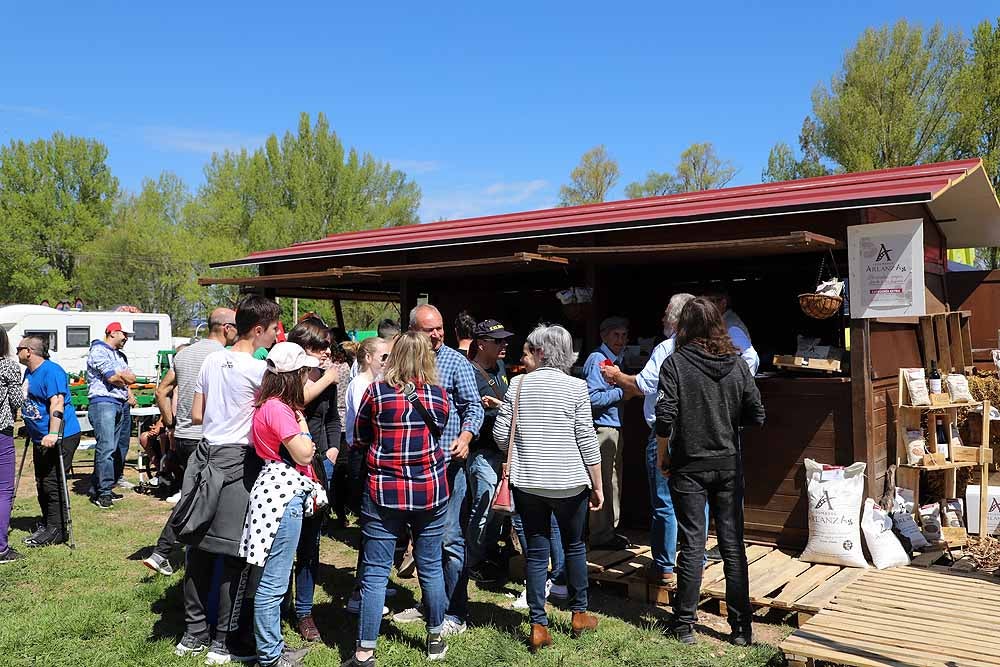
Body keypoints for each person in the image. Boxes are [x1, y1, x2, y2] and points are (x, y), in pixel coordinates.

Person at [171, 295, 280, 664]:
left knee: (197, 545)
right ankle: (223, 642)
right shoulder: (259, 371)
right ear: (260, 329)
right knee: (234, 552)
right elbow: (271, 420)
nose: (275, 337)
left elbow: (197, 413)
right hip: (239, 460)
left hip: (204, 455)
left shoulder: (210, 359)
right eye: (274, 330)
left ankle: (193, 632)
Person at [655, 297, 765, 647]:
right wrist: (727, 423)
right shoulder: (737, 364)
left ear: (684, 327)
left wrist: (663, 455)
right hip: (728, 464)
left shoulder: (675, 364)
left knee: (692, 544)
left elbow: (664, 418)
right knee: (733, 546)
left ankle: (684, 626)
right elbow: (757, 414)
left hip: (688, 465)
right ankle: (742, 628)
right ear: (718, 324)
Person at [493, 324, 603, 652]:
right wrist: (597, 485)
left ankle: (538, 624)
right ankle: (579, 614)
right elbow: (586, 439)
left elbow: (501, 436)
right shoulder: (576, 387)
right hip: (569, 483)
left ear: (540, 351)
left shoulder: (518, 385)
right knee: (574, 546)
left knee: (538, 551)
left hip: (527, 482)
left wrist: (526, 447)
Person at [343, 331, 451, 667]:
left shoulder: (376, 391)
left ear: (396, 355)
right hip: (430, 490)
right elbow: (441, 428)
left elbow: (358, 437)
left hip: (383, 490)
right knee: (431, 567)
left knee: (375, 574)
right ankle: (435, 639)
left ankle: (364, 651)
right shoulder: (438, 395)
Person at [393, 305, 483, 637]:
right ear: (412, 330)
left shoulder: (456, 362)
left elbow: (474, 406)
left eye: (440, 328)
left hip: (449, 466)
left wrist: (466, 435)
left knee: (450, 540)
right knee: (424, 543)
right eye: (429, 329)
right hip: (413, 469)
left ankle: (456, 612)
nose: (437, 334)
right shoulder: (403, 363)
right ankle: (432, 604)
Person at [600, 293, 694, 586]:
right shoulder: (708, 347)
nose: (663, 318)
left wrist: (617, 376)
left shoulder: (668, 347)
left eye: (667, 312)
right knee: (696, 500)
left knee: (664, 500)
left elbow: (643, 384)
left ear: (677, 318)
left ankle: (664, 566)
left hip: (667, 433)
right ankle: (695, 561)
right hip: (698, 434)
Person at [242, 342, 321, 667]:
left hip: (276, 491)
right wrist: (303, 428)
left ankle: (273, 646)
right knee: (273, 583)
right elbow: (304, 453)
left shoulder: (270, 405)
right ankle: (271, 656)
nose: (308, 377)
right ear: (293, 375)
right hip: (282, 496)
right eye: (304, 372)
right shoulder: (278, 409)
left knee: (270, 579)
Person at [143, 308, 238, 576]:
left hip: (184, 435)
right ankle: (164, 551)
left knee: (197, 496)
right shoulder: (224, 358)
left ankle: (187, 553)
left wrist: (171, 422)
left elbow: (161, 391)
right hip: (207, 437)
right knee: (198, 498)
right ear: (226, 328)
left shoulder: (184, 354)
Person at [287, 319, 342, 642]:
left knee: (310, 542)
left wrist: (333, 450)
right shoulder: (285, 379)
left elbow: (332, 418)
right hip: (288, 467)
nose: (325, 353)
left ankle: (304, 611)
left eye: (327, 347)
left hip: (321, 465)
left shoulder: (326, 380)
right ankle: (278, 601)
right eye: (318, 347)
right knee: (283, 543)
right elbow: (298, 402)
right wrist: (329, 378)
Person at [16, 336, 82, 548]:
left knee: (53, 483)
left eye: (19, 349)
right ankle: (48, 522)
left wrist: (53, 433)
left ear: (29, 351)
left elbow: (58, 402)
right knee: (42, 482)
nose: (16, 352)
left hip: (60, 436)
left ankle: (58, 529)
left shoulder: (51, 371)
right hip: (40, 437)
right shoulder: (30, 371)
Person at [464, 319, 513, 585]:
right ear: (481, 344)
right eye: (498, 341)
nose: (504, 344)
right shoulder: (470, 372)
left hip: (502, 451)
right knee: (483, 507)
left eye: (505, 340)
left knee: (498, 508)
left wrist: (499, 405)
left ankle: (488, 554)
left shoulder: (502, 367)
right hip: (482, 451)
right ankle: (473, 561)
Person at [343, 336, 390, 614]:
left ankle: (370, 583)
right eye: (384, 357)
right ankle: (361, 593)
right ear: (369, 358)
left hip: (366, 454)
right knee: (371, 527)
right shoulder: (362, 385)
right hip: (361, 457)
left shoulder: (371, 384)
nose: (388, 362)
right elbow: (369, 425)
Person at [582, 315, 630, 549]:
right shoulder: (598, 360)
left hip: (614, 426)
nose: (620, 340)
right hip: (603, 427)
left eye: (623, 335)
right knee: (604, 482)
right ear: (604, 336)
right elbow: (591, 397)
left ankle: (610, 531)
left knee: (614, 481)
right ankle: (601, 535)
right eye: (615, 335)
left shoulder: (616, 359)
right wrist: (623, 392)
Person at [86, 322, 136, 509]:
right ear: (113, 332)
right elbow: (113, 378)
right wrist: (123, 377)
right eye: (125, 335)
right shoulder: (98, 351)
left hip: (118, 403)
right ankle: (103, 492)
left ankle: (100, 486)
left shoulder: (119, 355)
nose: (127, 339)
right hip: (103, 402)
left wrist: (124, 378)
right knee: (106, 448)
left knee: (114, 448)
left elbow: (131, 378)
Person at [0, 328, 25, 562]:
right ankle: (1, 548)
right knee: (3, 490)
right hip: (1, 432)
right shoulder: (7, 366)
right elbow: (17, 399)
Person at [703, 288, 759, 375]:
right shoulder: (720, 323)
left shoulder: (731, 326)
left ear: (723, 303)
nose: (708, 306)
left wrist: (741, 384)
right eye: (706, 302)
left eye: (712, 301)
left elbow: (751, 357)